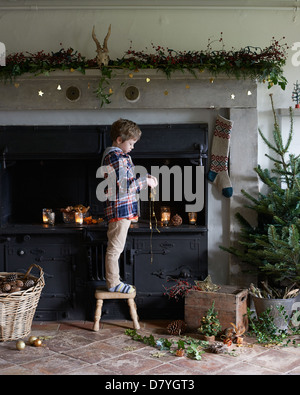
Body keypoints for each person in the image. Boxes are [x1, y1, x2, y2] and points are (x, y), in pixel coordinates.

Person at [101, 118, 158, 293]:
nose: (133, 147)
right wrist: (145, 182)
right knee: (114, 249)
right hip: (119, 210)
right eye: (131, 143)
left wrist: (146, 177)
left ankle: (115, 281)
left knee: (116, 247)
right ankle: (113, 283)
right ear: (119, 140)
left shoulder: (120, 157)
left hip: (122, 210)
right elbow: (125, 186)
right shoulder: (116, 157)